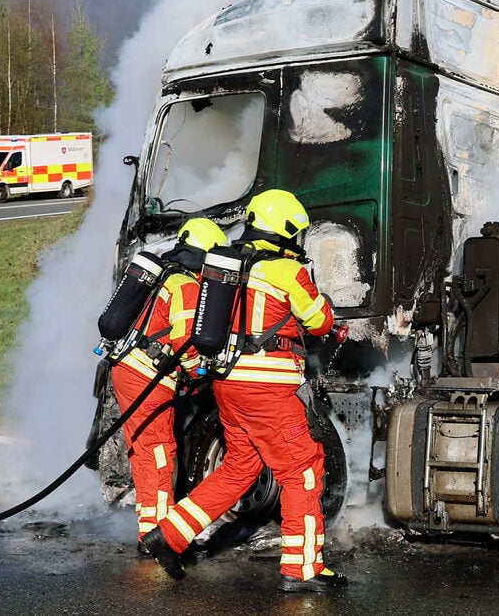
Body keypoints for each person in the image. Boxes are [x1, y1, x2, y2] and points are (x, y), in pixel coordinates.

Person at [143, 189, 347, 593]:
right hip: (268, 389)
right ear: (287, 230)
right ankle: (302, 568)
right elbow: (320, 321)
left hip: (227, 385)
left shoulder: (223, 263)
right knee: (303, 471)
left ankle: (168, 536)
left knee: (241, 468)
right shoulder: (287, 271)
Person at [109, 217, 227, 555]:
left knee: (146, 451)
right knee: (158, 453)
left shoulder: (162, 275)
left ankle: (150, 529)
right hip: (148, 376)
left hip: (129, 369)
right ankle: (158, 538)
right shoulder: (185, 284)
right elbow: (185, 342)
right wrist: (200, 374)